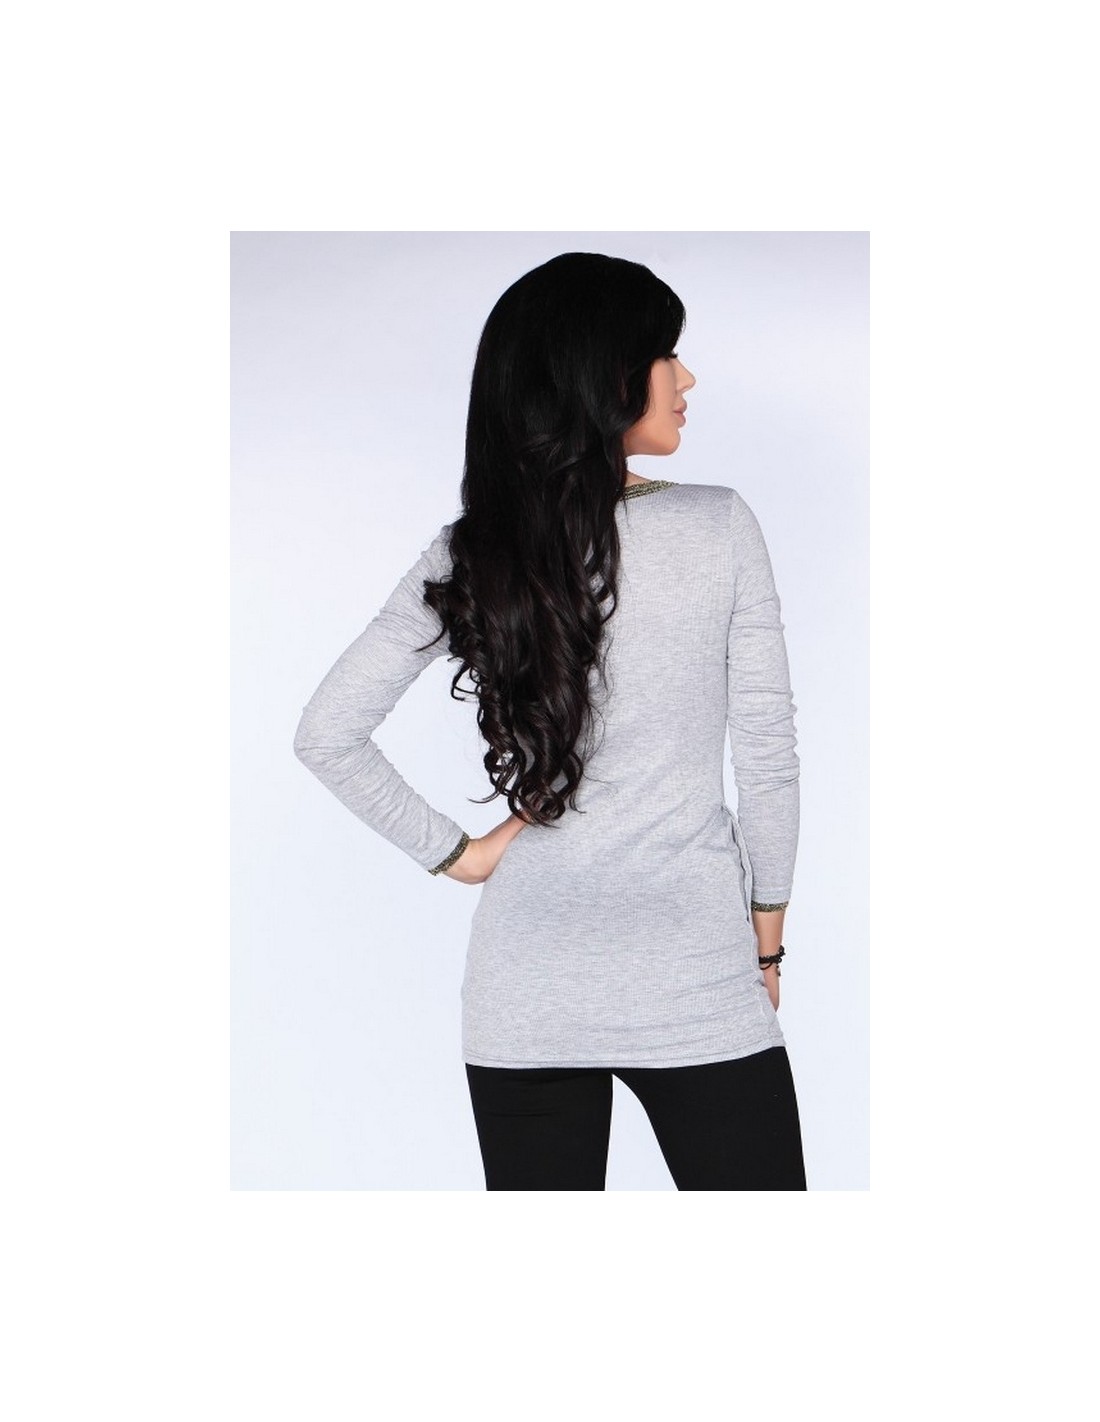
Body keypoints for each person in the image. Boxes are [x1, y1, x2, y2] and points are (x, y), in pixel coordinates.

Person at [293, 251, 807, 1190]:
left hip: (522, 996)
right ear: (606, 377)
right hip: (695, 974)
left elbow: (326, 731)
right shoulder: (720, 526)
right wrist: (767, 944)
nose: (687, 379)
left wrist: (462, 855)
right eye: (666, 355)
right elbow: (768, 760)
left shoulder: (476, 550)